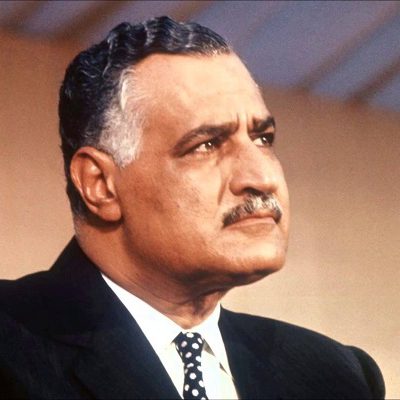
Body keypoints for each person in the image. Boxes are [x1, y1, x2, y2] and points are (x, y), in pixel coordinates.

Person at [0, 16, 385, 399]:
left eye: (263, 138)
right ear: (100, 185)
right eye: (206, 145)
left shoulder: (335, 375)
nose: (261, 177)